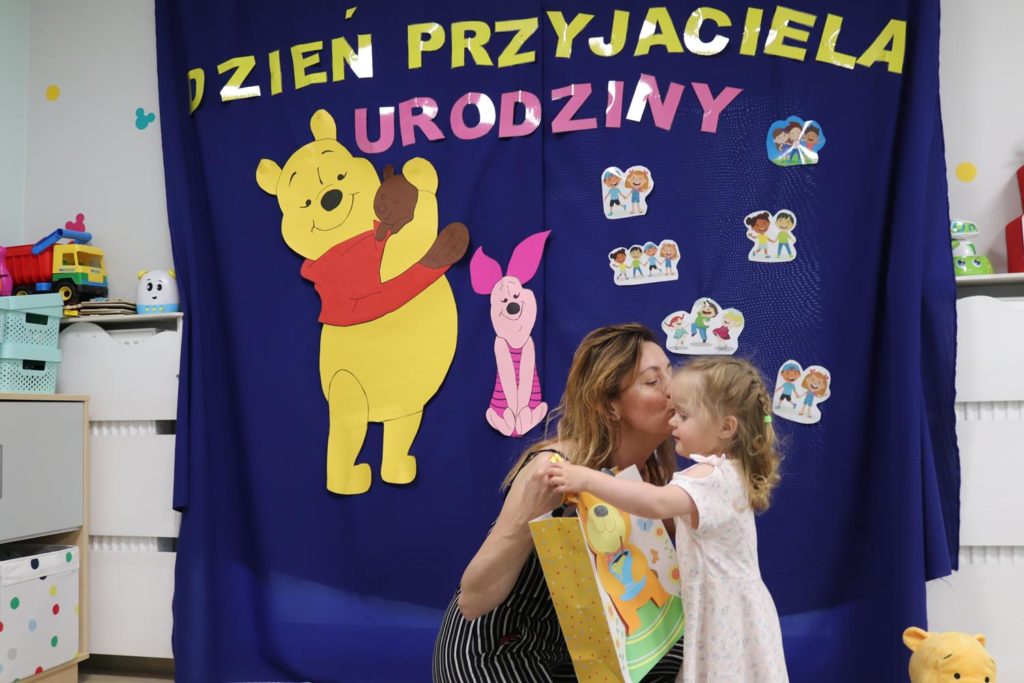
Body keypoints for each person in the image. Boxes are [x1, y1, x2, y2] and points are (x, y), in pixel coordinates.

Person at [433, 323, 685, 682]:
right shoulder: (555, 469)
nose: (674, 390)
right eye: (653, 381)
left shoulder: (651, 477)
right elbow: (472, 601)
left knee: (679, 645)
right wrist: (524, 519)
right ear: (609, 405)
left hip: (568, 648)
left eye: (671, 373)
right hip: (497, 646)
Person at [547, 356, 788, 683]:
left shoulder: (711, 477)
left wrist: (587, 479)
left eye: (684, 415)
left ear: (726, 427)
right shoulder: (730, 473)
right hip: (734, 609)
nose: (672, 421)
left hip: (726, 615)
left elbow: (656, 503)